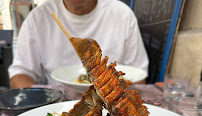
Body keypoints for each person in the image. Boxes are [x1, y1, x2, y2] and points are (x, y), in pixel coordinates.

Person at [8, 0, 149, 100]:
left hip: (112, 104)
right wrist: (48, 99)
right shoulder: (38, 17)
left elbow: (138, 78)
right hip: (58, 104)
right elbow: (19, 75)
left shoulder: (122, 14)